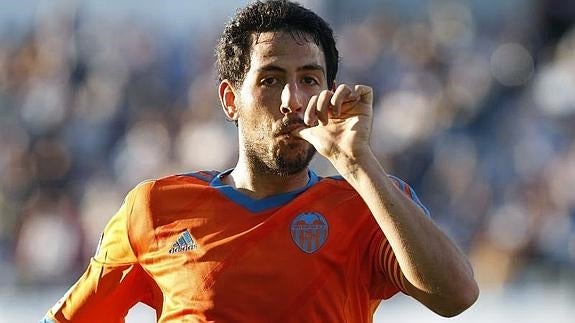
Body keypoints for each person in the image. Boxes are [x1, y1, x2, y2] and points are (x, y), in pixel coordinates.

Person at [41, 1, 479, 322]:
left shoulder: (368, 201)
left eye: (310, 79)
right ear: (231, 100)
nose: (293, 100)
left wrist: (359, 162)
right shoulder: (156, 209)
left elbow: (456, 296)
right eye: (271, 80)